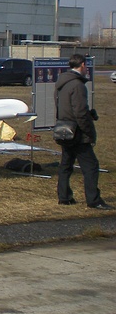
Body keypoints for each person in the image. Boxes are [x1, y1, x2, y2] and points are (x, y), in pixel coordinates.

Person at [55, 54, 112, 210]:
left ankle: (64, 197)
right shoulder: (78, 85)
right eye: (86, 66)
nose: (87, 69)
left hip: (64, 128)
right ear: (82, 65)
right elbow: (79, 112)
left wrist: (88, 114)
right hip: (77, 132)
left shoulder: (61, 83)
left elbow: (64, 107)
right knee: (91, 166)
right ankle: (94, 200)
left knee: (66, 164)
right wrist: (89, 132)